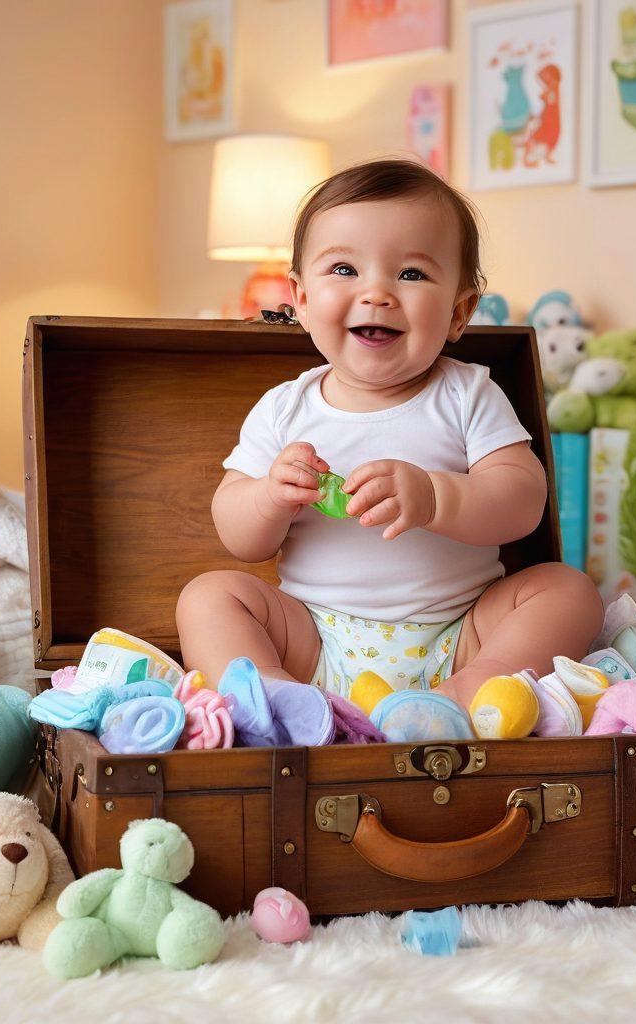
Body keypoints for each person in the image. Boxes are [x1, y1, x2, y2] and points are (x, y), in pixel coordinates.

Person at [177, 158, 602, 739]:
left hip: (459, 632)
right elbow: (239, 535)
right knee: (208, 596)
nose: (376, 294)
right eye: (345, 268)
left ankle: (468, 696)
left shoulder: (468, 393)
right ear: (300, 299)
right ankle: (277, 702)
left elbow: (522, 501)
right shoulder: (285, 407)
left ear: (459, 311)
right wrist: (271, 498)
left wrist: (436, 496)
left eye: (411, 275)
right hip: (314, 639)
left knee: (568, 591)